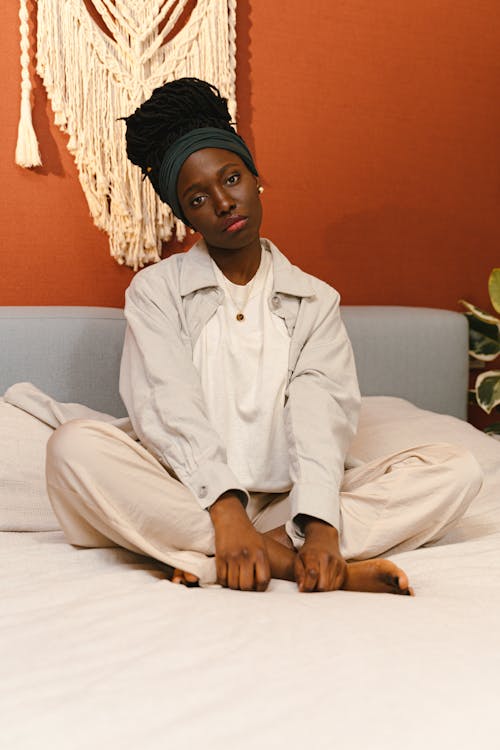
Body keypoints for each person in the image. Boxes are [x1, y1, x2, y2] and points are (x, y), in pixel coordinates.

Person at [46, 78, 483, 594]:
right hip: (189, 490)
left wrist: (320, 523)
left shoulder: (315, 300)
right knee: (72, 448)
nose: (223, 203)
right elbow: (168, 402)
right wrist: (226, 512)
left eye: (231, 179)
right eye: (198, 198)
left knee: (457, 470)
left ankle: (247, 551)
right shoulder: (155, 291)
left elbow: (320, 410)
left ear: (256, 179)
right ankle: (282, 558)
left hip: (289, 500)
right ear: (186, 215)